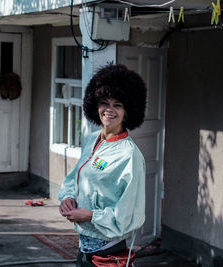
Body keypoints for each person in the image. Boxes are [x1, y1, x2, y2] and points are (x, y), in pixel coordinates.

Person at [58, 64, 147, 266]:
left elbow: (128, 215)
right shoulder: (91, 140)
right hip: (83, 246)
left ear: (128, 111)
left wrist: (89, 215)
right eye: (104, 103)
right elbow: (75, 179)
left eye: (117, 104)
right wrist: (68, 198)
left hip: (108, 252)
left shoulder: (129, 155)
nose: (109, 110)